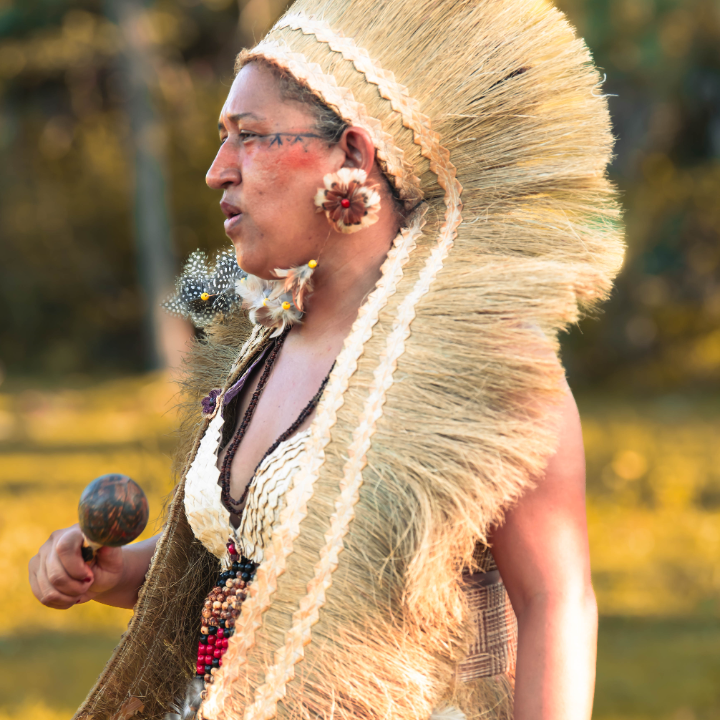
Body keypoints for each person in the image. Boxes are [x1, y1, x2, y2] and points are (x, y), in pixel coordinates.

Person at [28, 1, 624, 719]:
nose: (218, 171)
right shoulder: (261, 339)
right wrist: (117, 570)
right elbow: (248, 554)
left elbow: (555, 599)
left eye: (250, 137)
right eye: (222, 138)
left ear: (353, 154)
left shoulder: (485, 366)